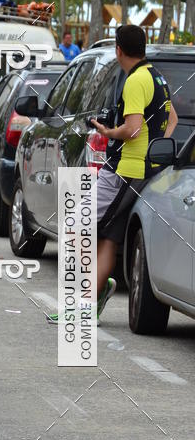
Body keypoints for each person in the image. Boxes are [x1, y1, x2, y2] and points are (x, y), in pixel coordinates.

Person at [48, 24, 178, 325]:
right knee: (108, 237)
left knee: (72, 227)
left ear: (119, 49)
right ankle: (92, 296)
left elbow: (131, 128)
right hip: (143, 169)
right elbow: (172, 119)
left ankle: (89, 294)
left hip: (124, 170)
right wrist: (156, 149)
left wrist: (108, 131)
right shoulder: (157, 77)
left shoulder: (135, 81)